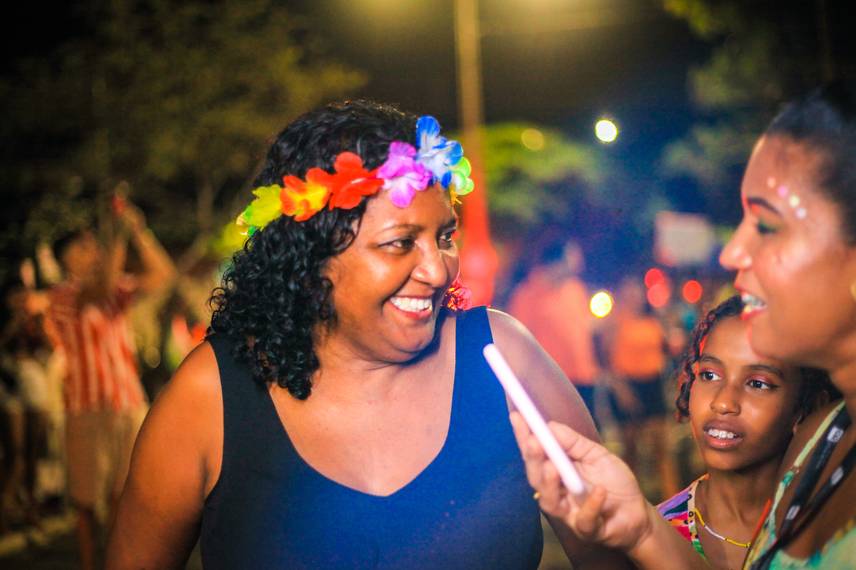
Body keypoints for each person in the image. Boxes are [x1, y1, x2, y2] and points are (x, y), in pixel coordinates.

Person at [105, 100, 632, 569]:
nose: (438, 269)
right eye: (401, 243)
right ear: (313, 258)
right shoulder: (211, 398)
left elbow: (616, 552)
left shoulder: (502, 357)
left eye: (444, 236)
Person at [510, 84, 856, 569]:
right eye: (708, 374)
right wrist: (644, 526)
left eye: (767, 225)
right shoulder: (824, 440)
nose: (733, 252)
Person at [44, 200, 176, 570]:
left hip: (127, 402)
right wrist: (119, 233)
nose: (94, 251)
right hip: (87, 408)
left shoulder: (114, 289)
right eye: (83, 247)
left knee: (126, 495)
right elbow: (99, 290)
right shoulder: (62, 295)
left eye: (94, 244)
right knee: (87, 503)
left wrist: (139, 232)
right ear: (64, 259)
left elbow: (163, 276)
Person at [658, 295, 835, 569]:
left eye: (757, 383)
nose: (723, 402)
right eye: (709, 375)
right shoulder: (657, 538)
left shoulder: (836, 532)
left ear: (806, 406)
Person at [507, 238, 601, 420]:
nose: (578, 265)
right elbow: (519, 340)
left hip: (583, 377)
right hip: (551, 380)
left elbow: (582, 328)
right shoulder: (528, 294)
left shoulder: (575, 289)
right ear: (555, 263)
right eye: (572, 259)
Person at [604, 275, 679, 499]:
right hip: (627, 385)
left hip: (652, 385)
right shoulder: (614, 322)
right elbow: (608, 361)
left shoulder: (653, 320)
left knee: (661, 448)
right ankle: (631, 499)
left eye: (636, 293)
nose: (633, 298)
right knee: (631, 450)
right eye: (628, 293)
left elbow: (667, 349)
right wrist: (621, 390)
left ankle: (673, 501)